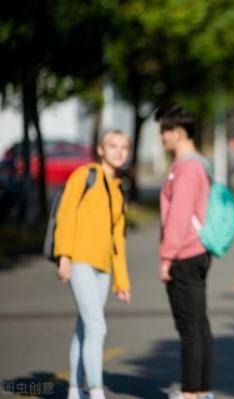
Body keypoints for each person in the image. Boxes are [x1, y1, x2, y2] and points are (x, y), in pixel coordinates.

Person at [54, 130, 132, 399]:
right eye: (113, 146)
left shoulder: (119, 189)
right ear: (100, 149)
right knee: (97, 326)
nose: (119, 151)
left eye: (124, 147)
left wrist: (122, 280)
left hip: (103, 269)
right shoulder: (84, 175)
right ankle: (96, 390)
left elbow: (118, 241)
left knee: (85, 326)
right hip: (80, 261)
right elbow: (66, 213)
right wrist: (63, 256)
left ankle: (75, 390)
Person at [156, 104, 214, 399]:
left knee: (189, 326)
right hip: (197, 251)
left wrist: (166, 258)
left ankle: (192, 391)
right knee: (198, 322)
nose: (161, 138)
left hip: (184, 254)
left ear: (178, 133)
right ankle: (201, 389)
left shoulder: (185, 168)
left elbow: (178, 217)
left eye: (163, 132)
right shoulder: (200, 164)